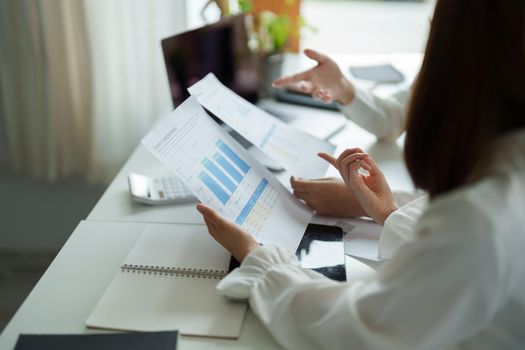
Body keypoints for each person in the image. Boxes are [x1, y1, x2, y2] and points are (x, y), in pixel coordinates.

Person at [196, 0, 525, 348]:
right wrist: (385, 209)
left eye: (433, 32)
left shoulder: (480, 217)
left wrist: (258, 259)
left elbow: (356, 331)